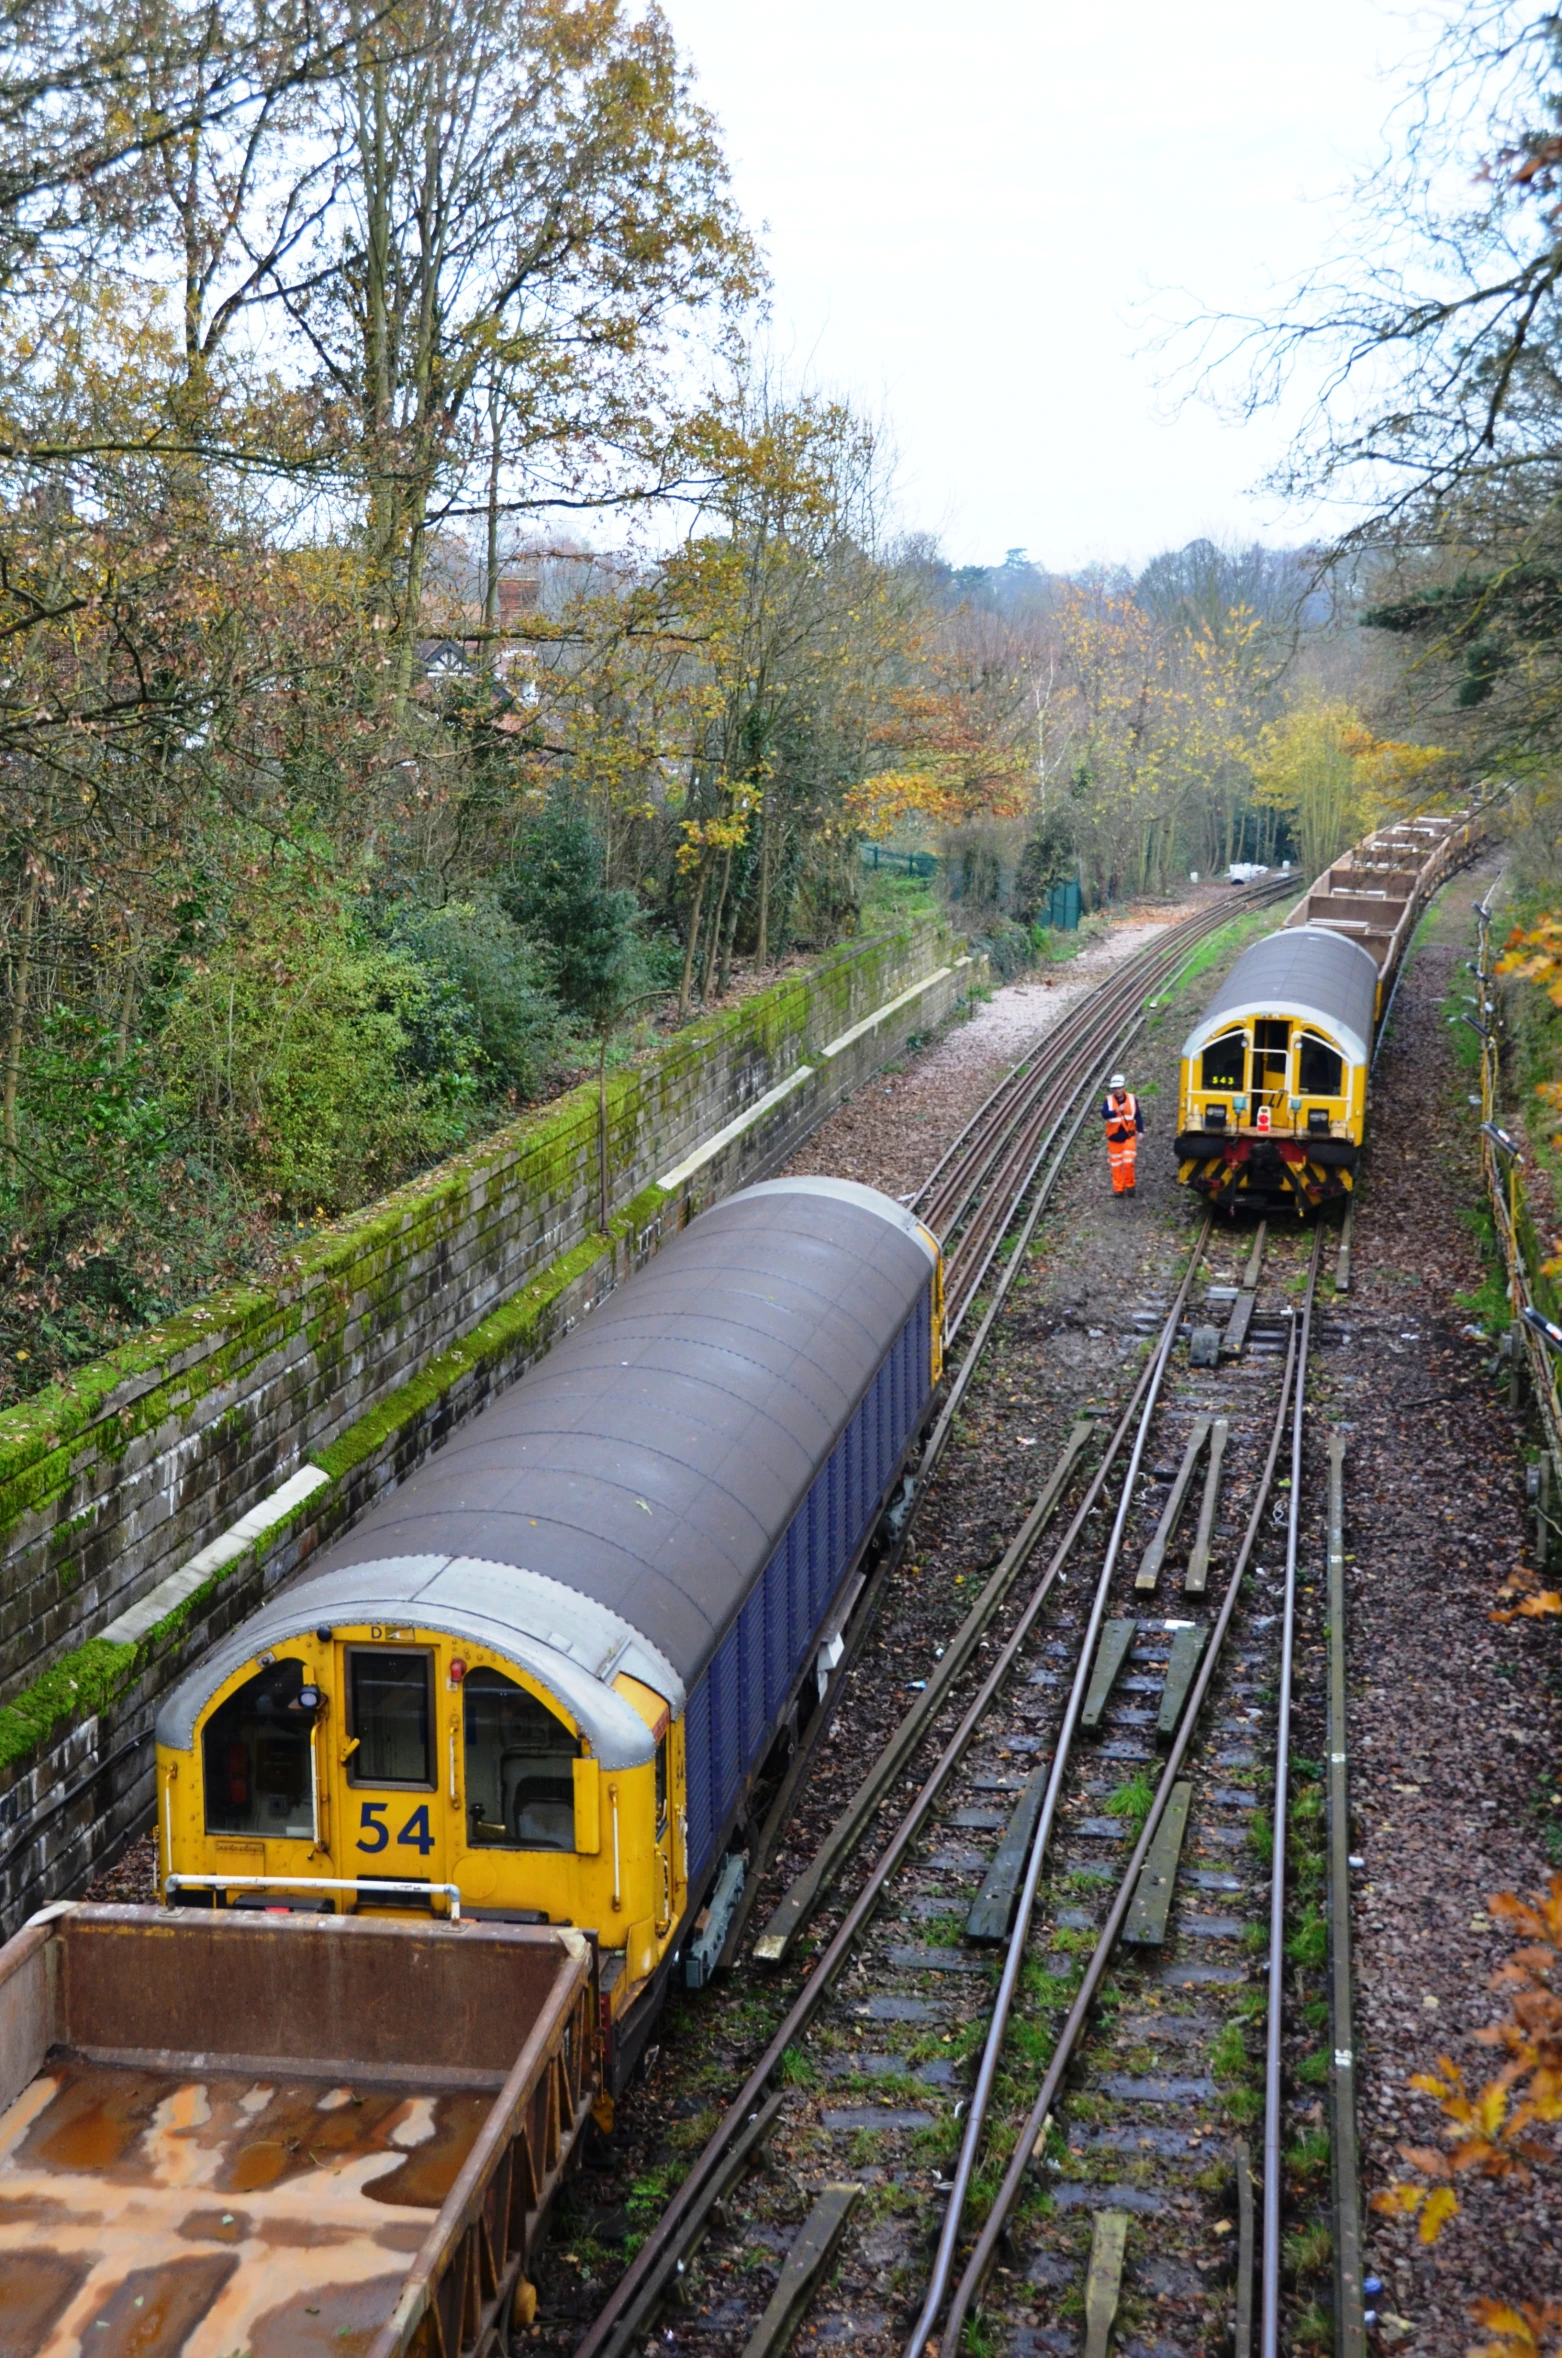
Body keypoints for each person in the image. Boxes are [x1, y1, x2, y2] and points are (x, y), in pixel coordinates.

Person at [1102, 1071, 1144, 1197]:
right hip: (1114, 1139)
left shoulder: (1132, 1099)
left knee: (1128, 1162)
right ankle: (1118, 1189)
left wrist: (1140, 1131)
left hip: (1128, 1136)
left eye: (1119, 1088)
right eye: (1115, 1088)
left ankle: (1130, 1186)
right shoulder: (1108, 1101)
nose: (1117, 1090)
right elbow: (1104, 1114)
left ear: (1123, 1087)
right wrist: (1116, 1111)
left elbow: (1138, 1115)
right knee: (1116, 1165)